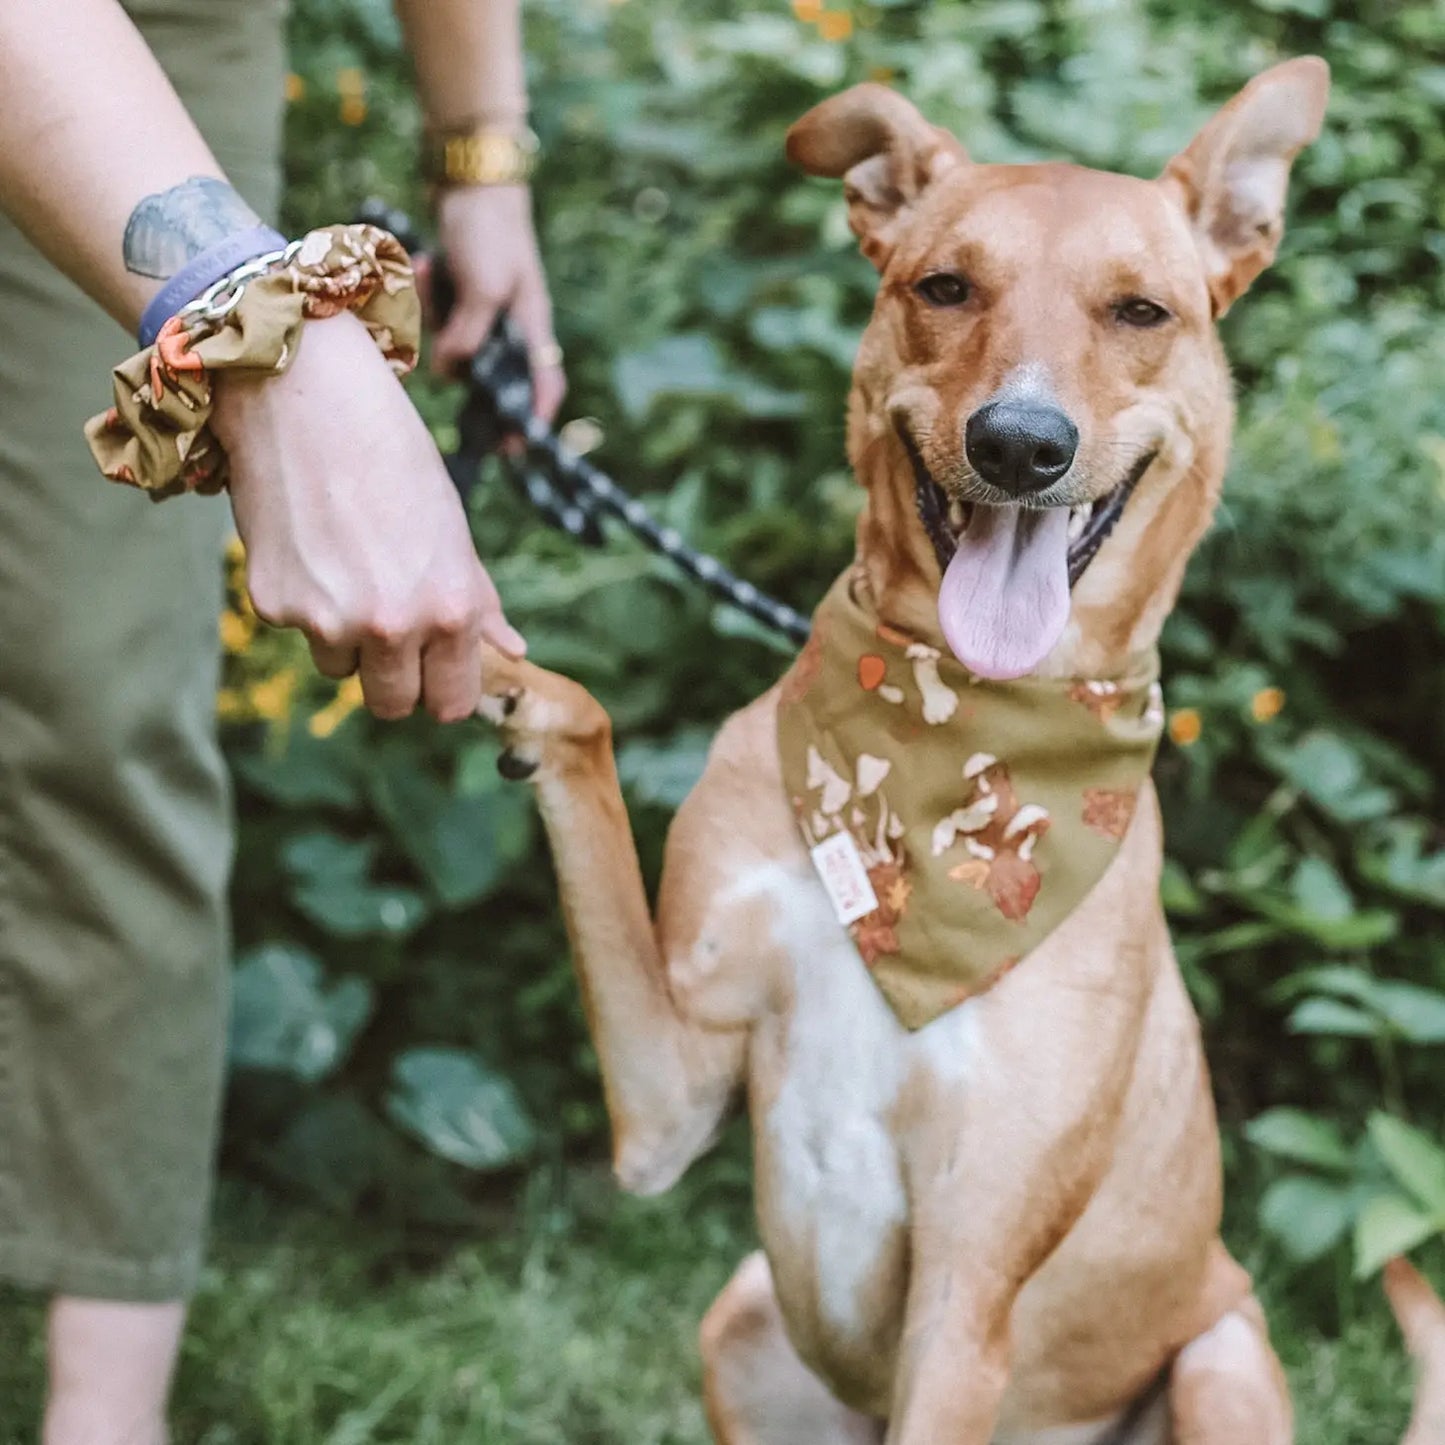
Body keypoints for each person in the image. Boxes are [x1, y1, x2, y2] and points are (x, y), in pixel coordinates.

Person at [0, 1, 564, 1439]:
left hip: (159, 35)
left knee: (97, 701)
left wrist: (480, 152)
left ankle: (101, 1417)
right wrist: (265, 338)